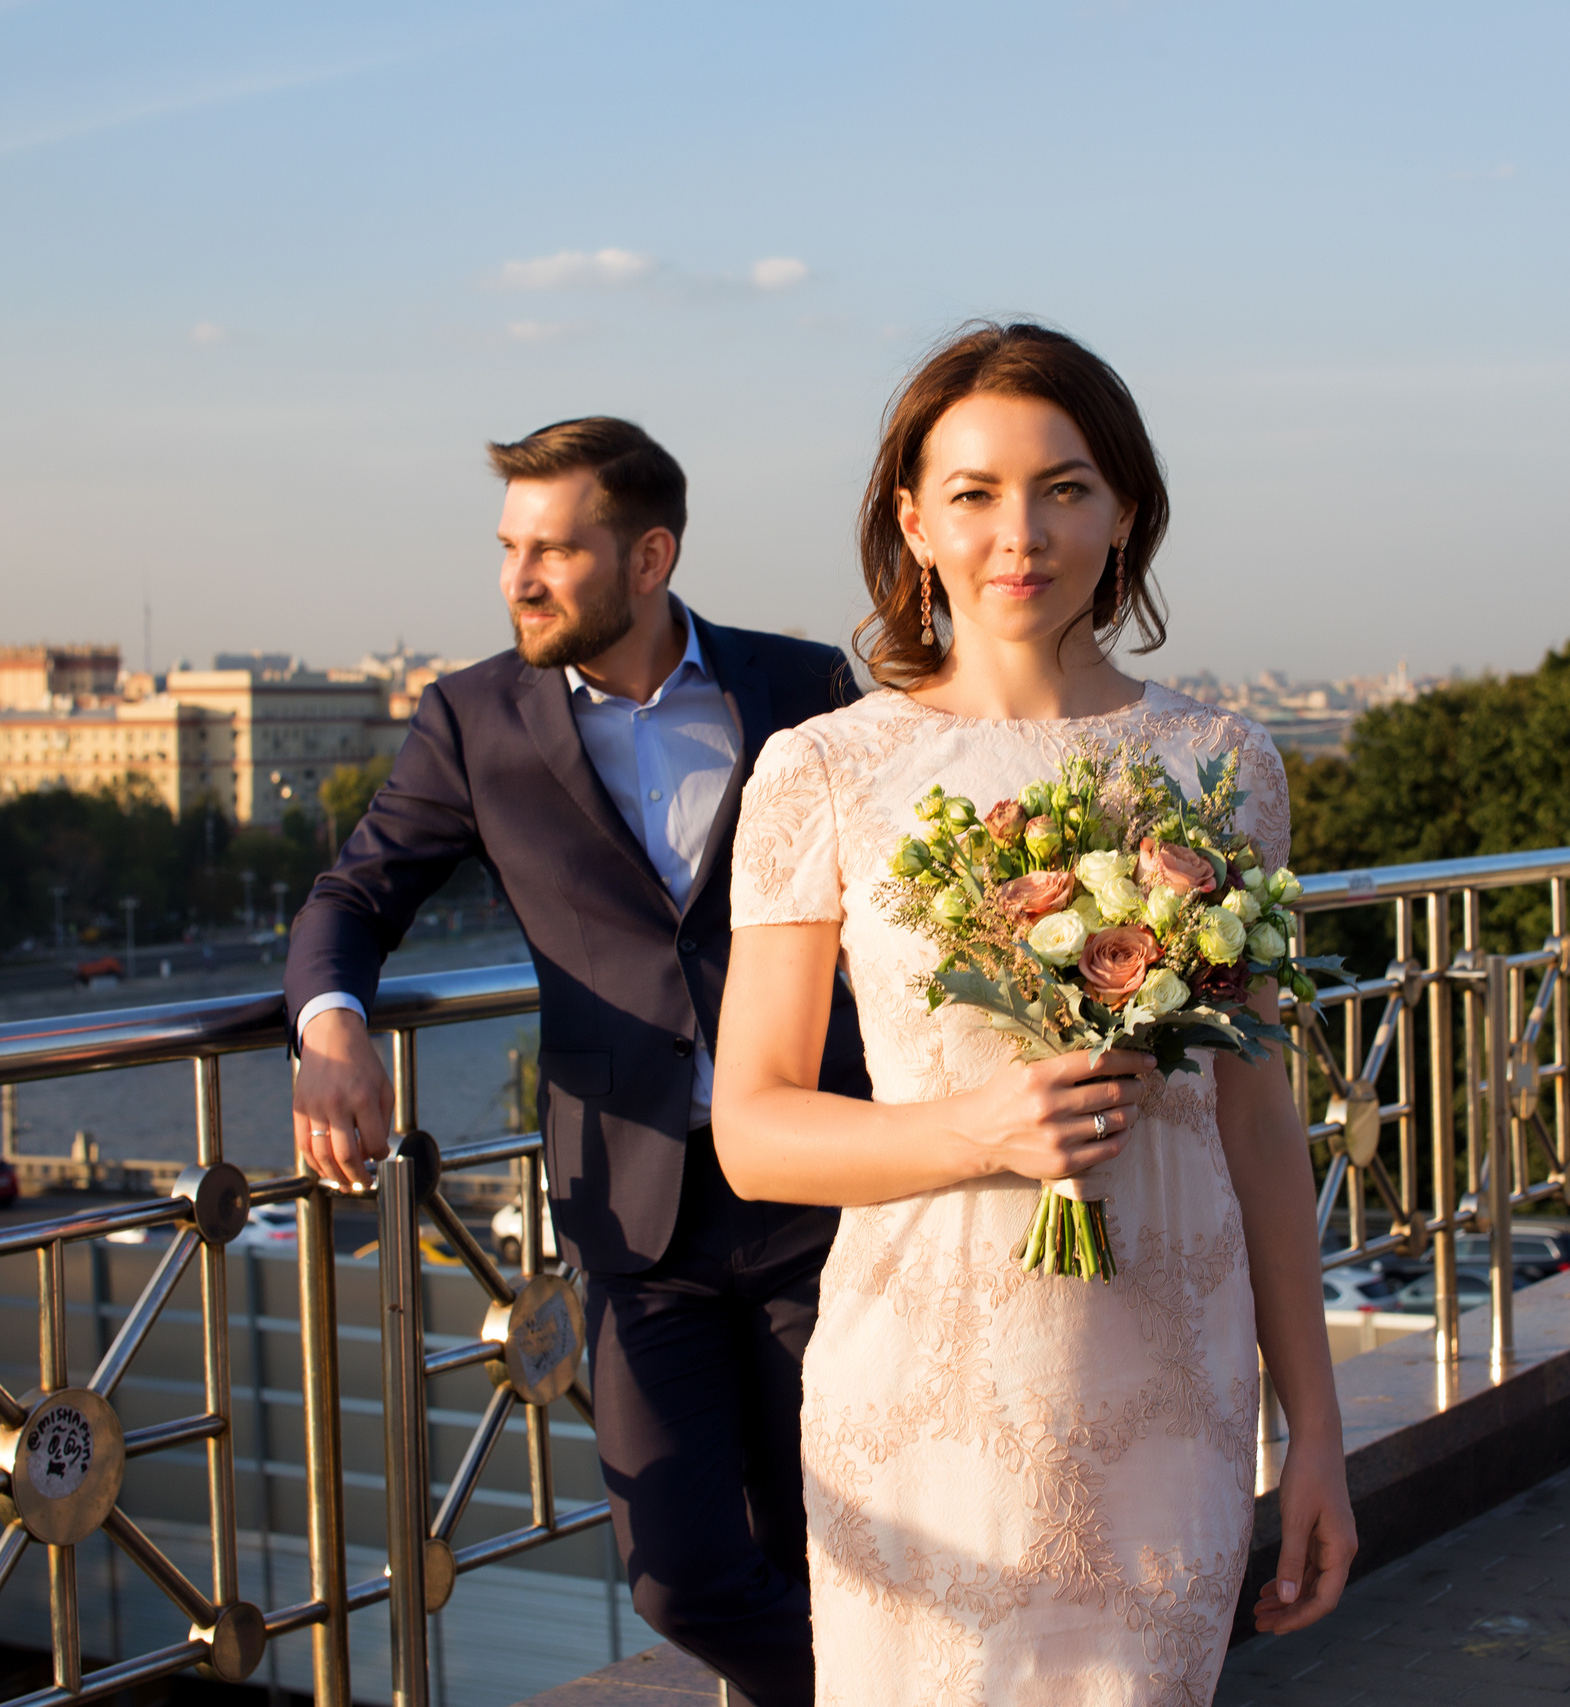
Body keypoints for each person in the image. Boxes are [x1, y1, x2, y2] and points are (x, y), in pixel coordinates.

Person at [711, 325, 1355, 1704]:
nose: (1023, 533)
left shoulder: (1223, 764)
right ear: (912, 521)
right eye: (976, 493)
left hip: (1167, 1397)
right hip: (922, 1399)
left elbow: (1257, 1131)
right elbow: (755, 1132)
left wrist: (1316, 1433)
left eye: (1065, 487)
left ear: (1125, 510)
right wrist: (981, 1130)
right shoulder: (823, 769)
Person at [285, 417, 869, 1707]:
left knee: (840, 1541)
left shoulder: (805, 687)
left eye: (555, 549)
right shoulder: (473, 719)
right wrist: (334, 1027)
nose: (518, 578)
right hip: (633, 1211)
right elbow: (357, 894)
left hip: (822, 1191)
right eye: (508, 548)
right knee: (680, 1571)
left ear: (650, 555)